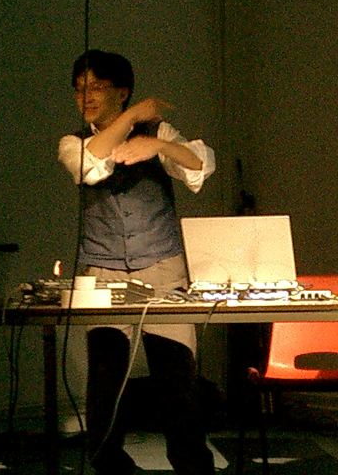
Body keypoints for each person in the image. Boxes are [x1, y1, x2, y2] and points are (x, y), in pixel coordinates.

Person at [58, 49, 216, 475]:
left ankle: (192, 466)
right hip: (102, 271)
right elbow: (89, 167)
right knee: (105, 379)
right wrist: (130, 119)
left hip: (162, 264)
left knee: (176, 376)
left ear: (122, 90)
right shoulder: (74, 142)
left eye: (97, 87)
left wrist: (159, 144)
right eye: (79, 89)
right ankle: (110, 465)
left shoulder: (157, 131)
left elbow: (200, 165)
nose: (86, 97)